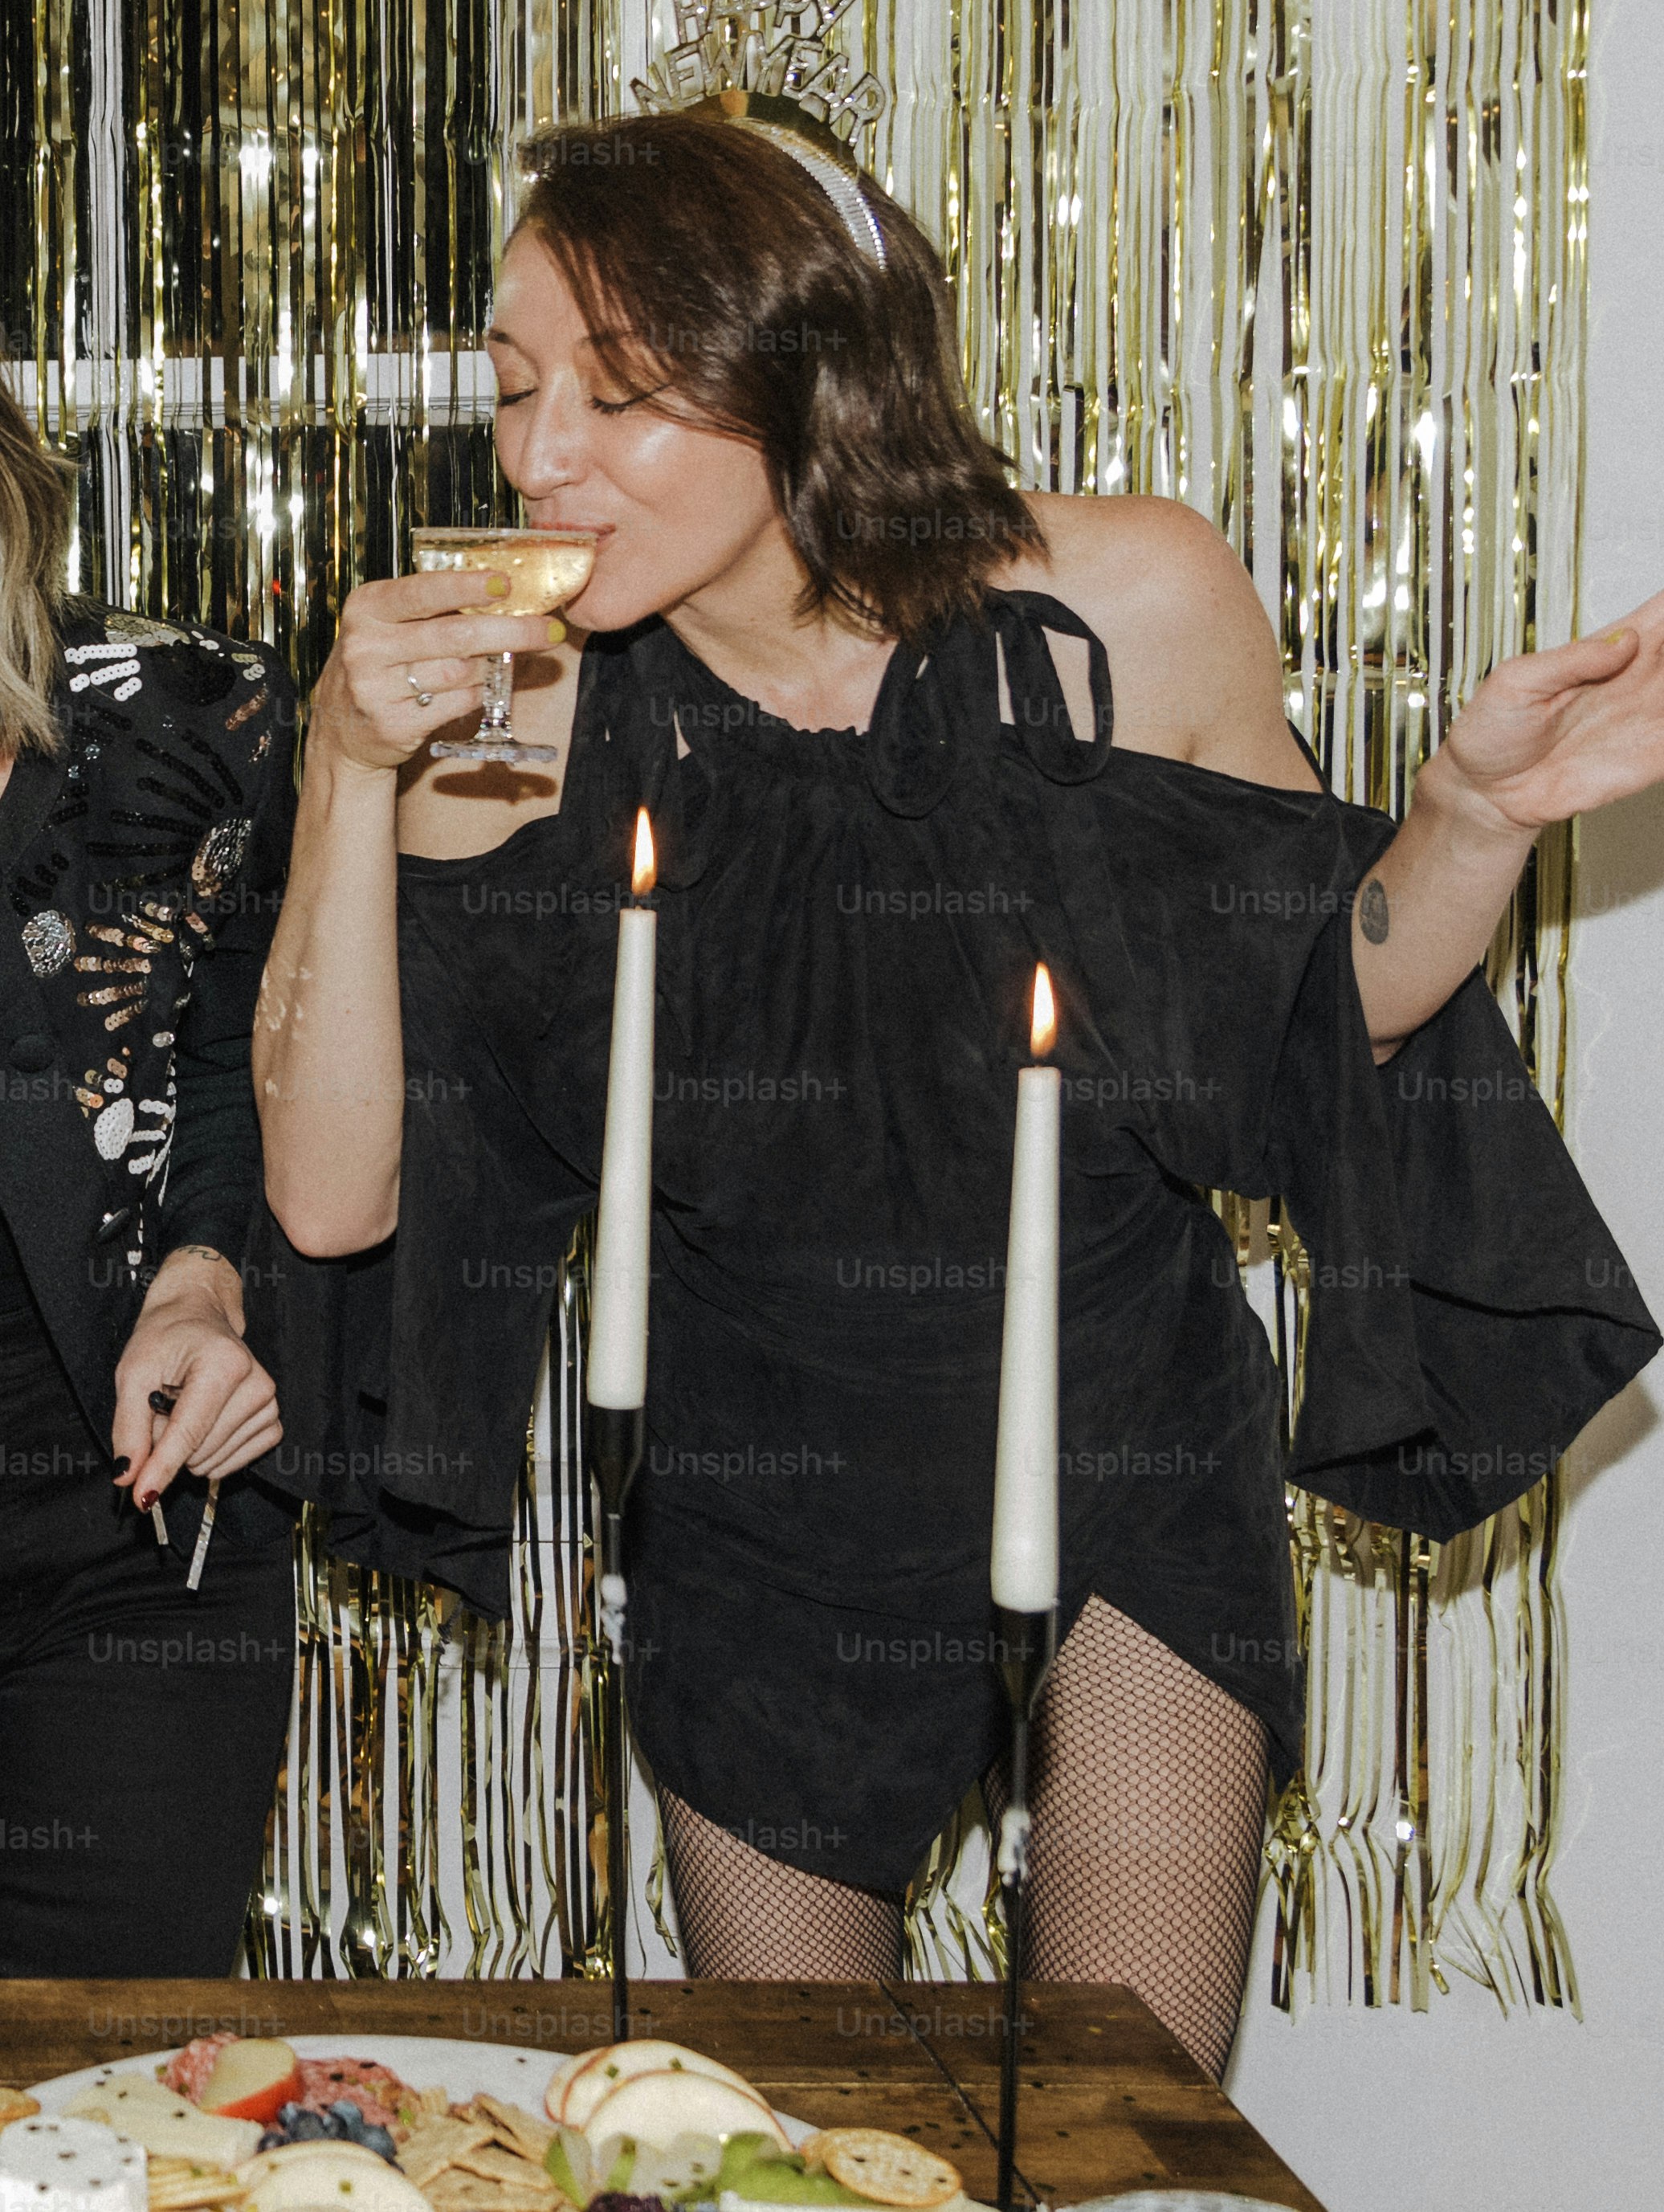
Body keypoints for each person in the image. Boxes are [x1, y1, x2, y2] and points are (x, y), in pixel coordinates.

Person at [248, 104, 1661, 2076]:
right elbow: (328, 1201)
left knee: (1118, 2123)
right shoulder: (515, 702)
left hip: (1123, 1449)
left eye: (619, 393)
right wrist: (345, 771)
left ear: (806, 372)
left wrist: (1469, 812)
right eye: (512, 387)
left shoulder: (1125, 600)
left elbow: (1319, 1018)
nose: (539, 455)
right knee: (817, 2158)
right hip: (752, 1505)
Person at [0, 374, 299, 1975]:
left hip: (130, 1549)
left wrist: (205, 1277)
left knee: (100, 2109)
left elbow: (241, 1060)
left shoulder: (185, 722)